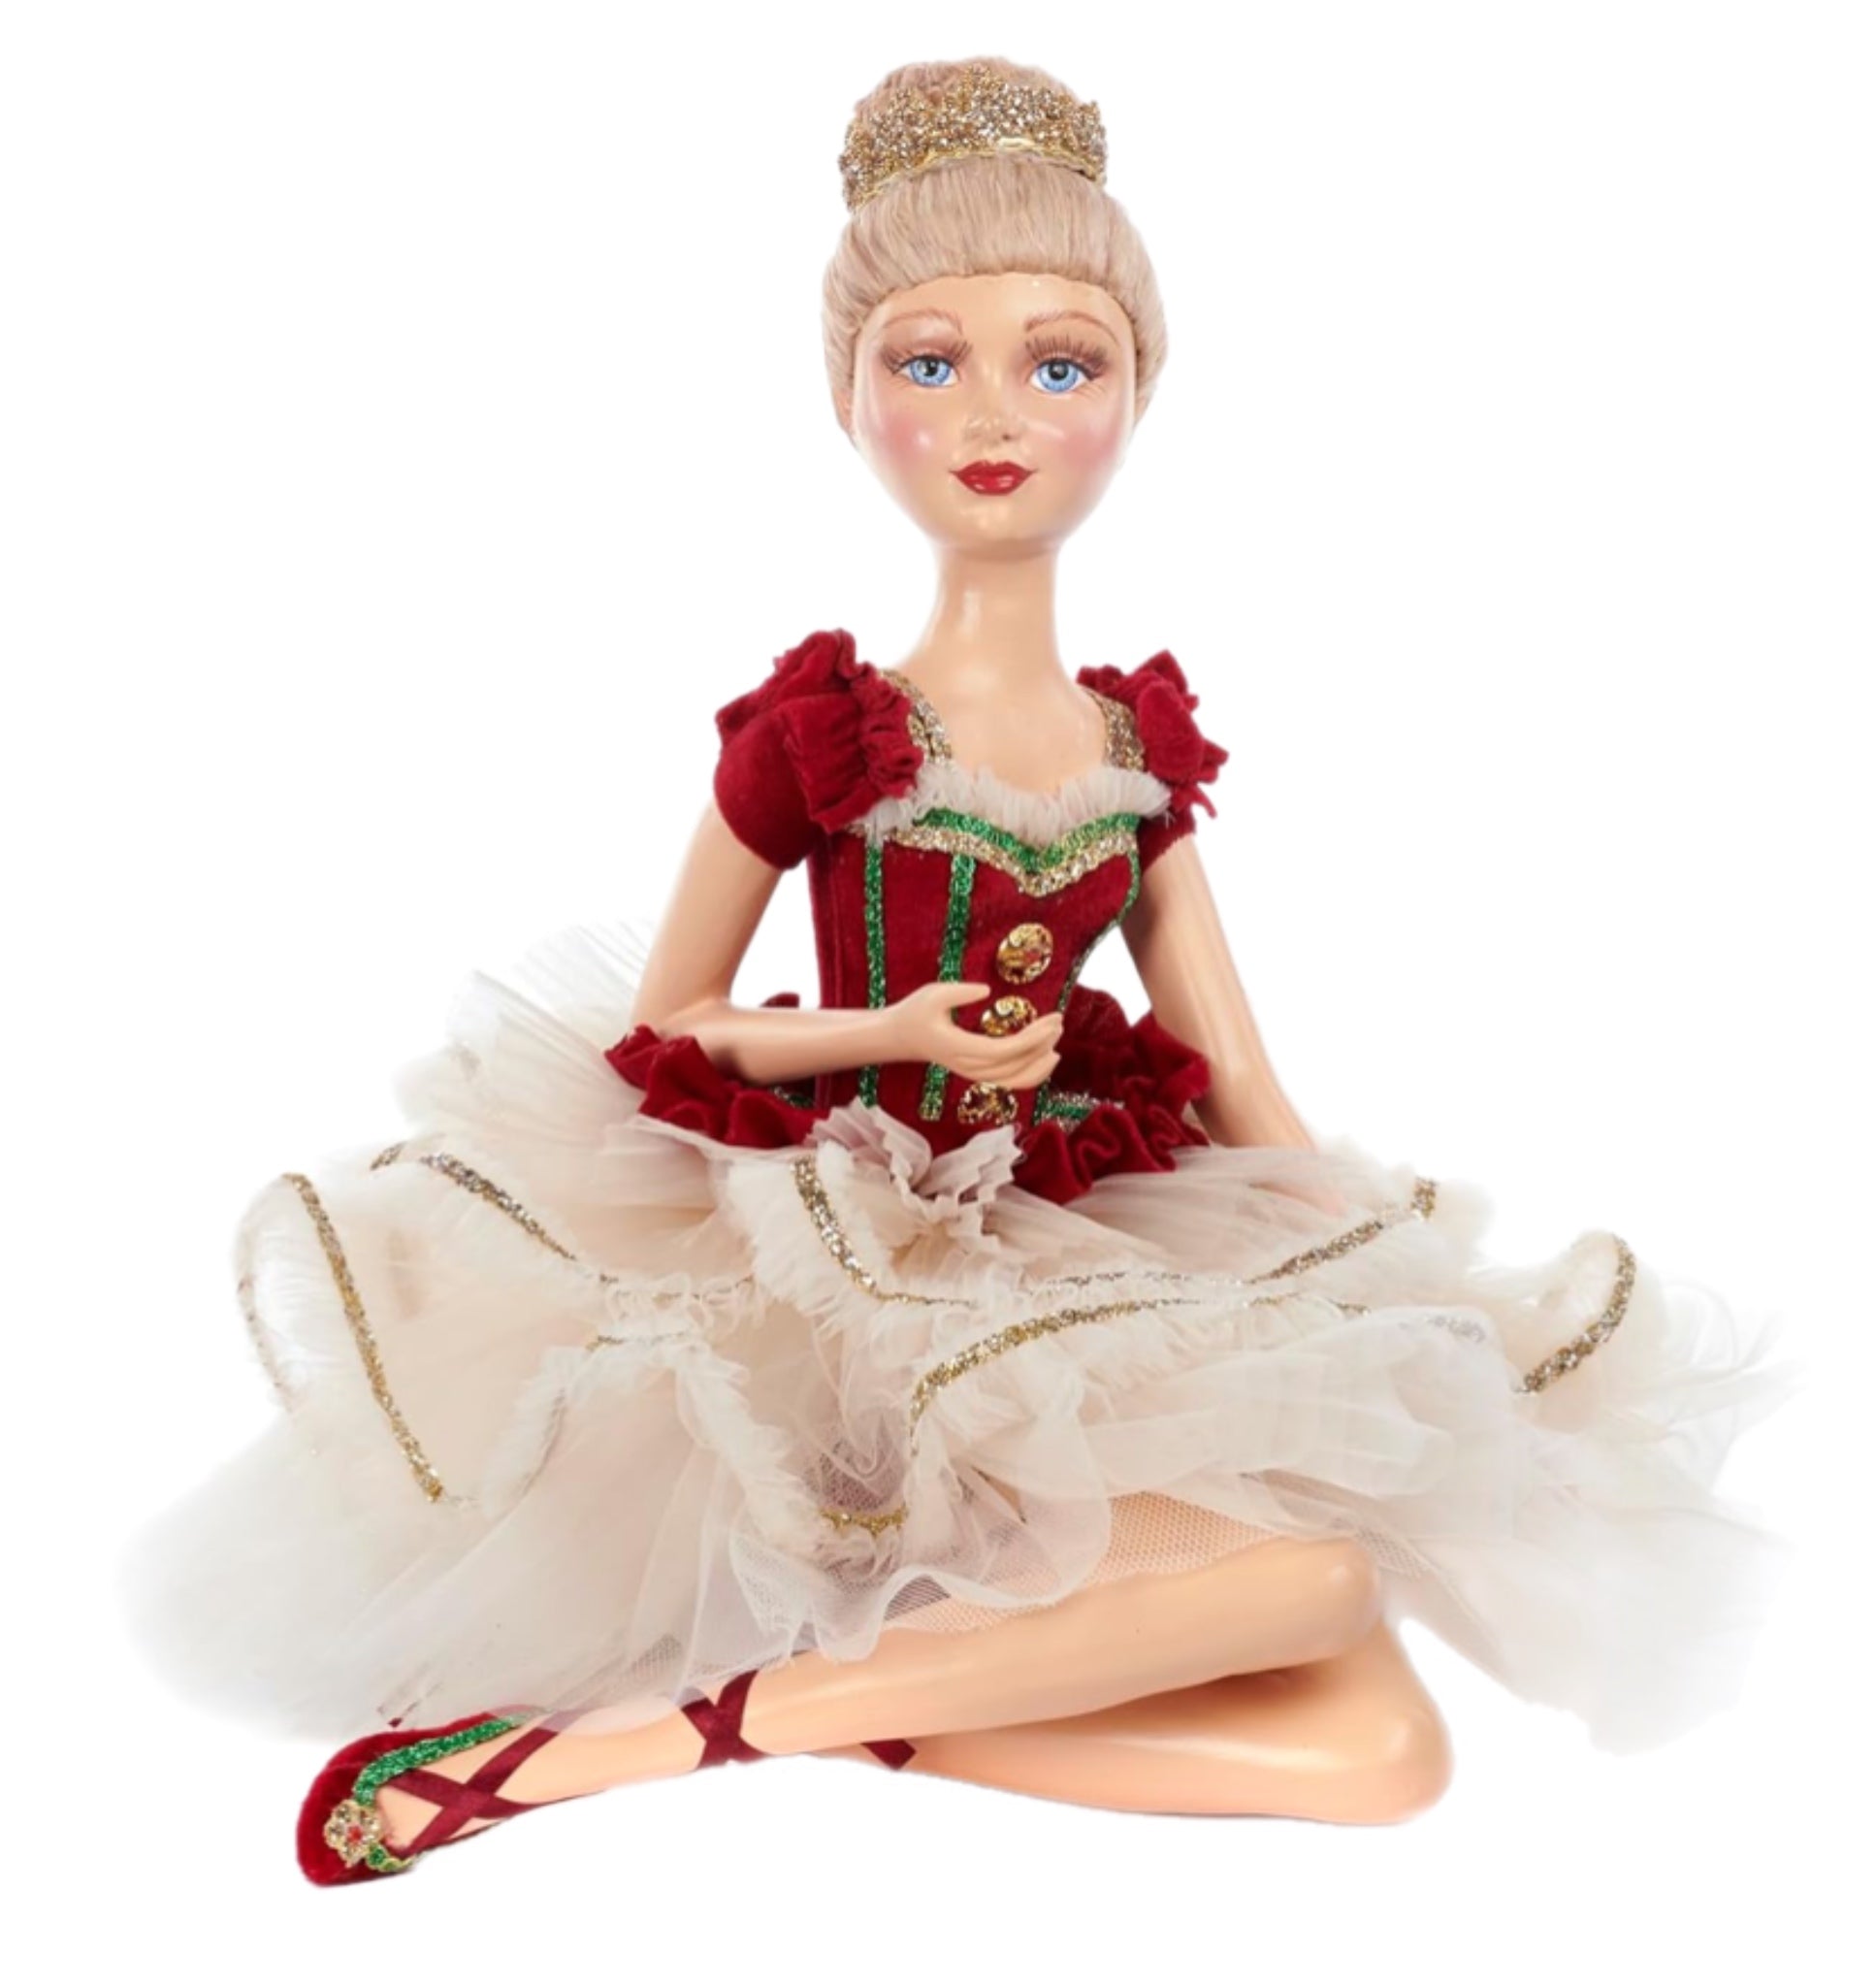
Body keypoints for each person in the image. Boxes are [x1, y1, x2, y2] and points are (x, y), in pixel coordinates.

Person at [117, 55, 1799, 1886]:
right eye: (929, 361)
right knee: (1309, 1589)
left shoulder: (1136, 756)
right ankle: (608, 1749)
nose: (993, 412)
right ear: (847, 398)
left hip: (1086, 1255)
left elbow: (1239, 1070)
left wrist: (1383, 1269)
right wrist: (889, 1028)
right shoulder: (830, 730)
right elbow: (671, 1025)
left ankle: (696, 1732)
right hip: (844, 1260)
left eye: (1060, 365)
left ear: (1138, 397)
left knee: (1384, 1750)